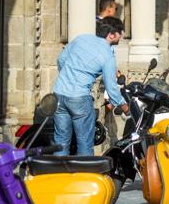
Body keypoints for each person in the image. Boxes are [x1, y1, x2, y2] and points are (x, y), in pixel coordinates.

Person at [53, 17, 130, 156]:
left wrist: (68, 78)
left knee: (61, 141)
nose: (122, 35)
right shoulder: (108, 55)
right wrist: (124, 106)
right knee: (85, 143)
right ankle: (84, 174)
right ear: (111, 34)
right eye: (120, 32)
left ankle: (60, 175)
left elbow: (61, 59)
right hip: (79, 98)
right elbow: (111, 87)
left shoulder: (81, 39)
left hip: (59, 93)